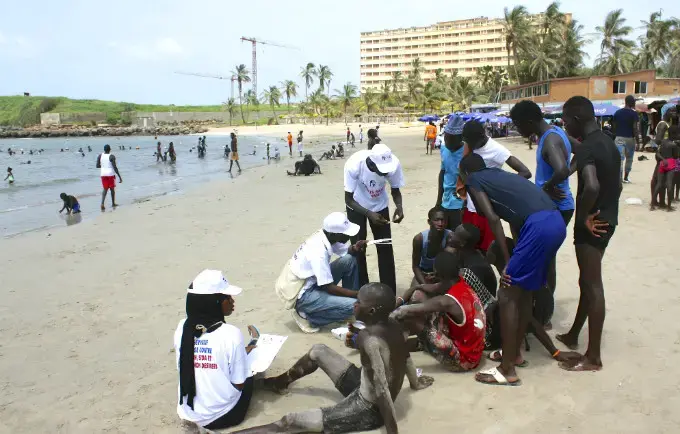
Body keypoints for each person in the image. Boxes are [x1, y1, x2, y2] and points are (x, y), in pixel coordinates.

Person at [234, 283, 434, 434]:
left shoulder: (369, 339)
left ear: (371, 311)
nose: (354, 305)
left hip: (368, 408)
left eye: (359, 303)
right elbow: (405, 357)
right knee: (318, 350)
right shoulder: (393, 324)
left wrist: (392, 432)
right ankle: (280, 382)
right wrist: (414, 383)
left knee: (290, 421)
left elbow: (381, 388)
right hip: (363, 385)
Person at [457, 153, 566, 386]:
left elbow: (494, 219)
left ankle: (507, 369)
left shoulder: (474, 180)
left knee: (506, 293)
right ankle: (515, 354)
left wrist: (507, 260)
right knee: (523, 292)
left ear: (465, 173)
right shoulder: (498, 174)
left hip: (538, 227)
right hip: (555, 222)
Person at [556, 96, 622, 372]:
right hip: (608, 219)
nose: (564, 124)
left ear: (577, 120)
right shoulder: (609, 143)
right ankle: (574, 334)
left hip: (592, 225)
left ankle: (593, 357)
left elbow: (591, 186)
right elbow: (616, 185)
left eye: (565, 119)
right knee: (587, 280)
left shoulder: (585, 148)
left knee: (593, 285)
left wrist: (584, 217)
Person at [510, 100, 575, 327]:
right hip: (559, 205)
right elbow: (579, 152)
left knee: (545, 261)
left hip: (557, 207)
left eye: (518, 125)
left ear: (529, 121)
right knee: (546, 259)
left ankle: (544, 315)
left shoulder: (550, 139)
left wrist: (547, 187)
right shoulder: (556, 132)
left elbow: (562, 169)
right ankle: (543, 310)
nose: (518, 130)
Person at [174, 269, 257, 431]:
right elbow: (239, 384)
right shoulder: (231, 334)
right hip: (219, 416)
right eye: (227, 298)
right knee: (251, 374)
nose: (232, 301)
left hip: (187, 412)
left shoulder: (182, 328)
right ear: (215, 302)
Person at [392, 252, 486, 372]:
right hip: (472, 348)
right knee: (418, 295)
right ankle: (415, 342)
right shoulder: (459, 281)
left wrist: (385, 316)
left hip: (464, 361)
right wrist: (414, 289)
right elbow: (422, 288)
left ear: (437, 274)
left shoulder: (445, 302)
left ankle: (394, 348)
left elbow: (402, 312)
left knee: (411, 319)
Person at [274, 212, 366, 333]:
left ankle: (346, 309)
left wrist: (354, 248)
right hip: (302, 294)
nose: (349, 237)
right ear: (334, 234)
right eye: (346, 234)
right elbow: (329, 287)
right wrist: (357, 294)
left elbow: (344, 251)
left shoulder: (324, 235)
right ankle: (308, 317)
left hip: (309, 282)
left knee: (349, 260)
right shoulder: (319, 253)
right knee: (356, 305)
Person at [461, 120, 532, 252]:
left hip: (487, 209)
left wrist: (502, 189)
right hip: (471, 205)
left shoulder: (497, 150)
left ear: (482, 137)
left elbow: (525, 172)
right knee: (471, 248)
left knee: (489, 249)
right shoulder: (470, 143)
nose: (469, 145)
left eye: (471, 142)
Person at [344, 143, 405, 293]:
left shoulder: (393, 163)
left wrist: (399, 206)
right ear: (371, 163)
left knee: (385, 246)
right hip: (356, 206)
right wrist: (369, 214)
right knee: (359, 248)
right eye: (381, 171)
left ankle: (389, 290)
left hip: (380, 205)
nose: (385, 174)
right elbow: (348, 199)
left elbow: (395, 190)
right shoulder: (354, 164)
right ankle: (362, 289)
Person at [436, 115, 465, 230]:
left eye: (451, 139)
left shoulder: (467, 152)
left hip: (460, 204)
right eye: (446, 138)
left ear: (460, 138)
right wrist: (438, 200)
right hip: (445, 202)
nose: (448, 142)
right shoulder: (444, 149)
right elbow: (443, 173)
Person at [411, 207, 453, 287]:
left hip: (443, 275)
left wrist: (438, 277)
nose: (440, 223)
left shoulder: (450, 237)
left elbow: (449, 264)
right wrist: (425, 285)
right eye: (436, 220)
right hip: (423, 273)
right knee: (415, 297)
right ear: (429, 222)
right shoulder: (419, 239)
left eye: (443, 220)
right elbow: (416, 267)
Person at [613, 95, 641, 183]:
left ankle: (618, 178)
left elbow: (614, 126)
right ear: (632, 102)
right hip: (630, 139)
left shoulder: (617, 113)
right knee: (629, 158)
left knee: (620, 159)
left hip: (619, 138)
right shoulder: (634, 114)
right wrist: (638, 141)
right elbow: (635, 128)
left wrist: (616, 135)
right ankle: (626, 177)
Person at [652, 140, 677, 211]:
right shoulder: (673, 145)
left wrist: (663, 159)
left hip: (662, 163)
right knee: (669, 185)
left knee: (659, 184)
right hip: (670, 164)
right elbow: (676, 156)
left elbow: (657, 153)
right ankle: (669, 207)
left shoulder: (662, 144)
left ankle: (652, 205)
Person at [96, 145, 122, 211]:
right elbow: (115, 167)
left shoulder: (100, 156)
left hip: (103, 174)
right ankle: (113, 203)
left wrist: (104, 166)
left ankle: (102, 203)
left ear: (104, 149)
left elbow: (97, 166)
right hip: (110, 174)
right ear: (110, 149)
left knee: (105, 189)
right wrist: (119, 176)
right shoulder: (111, 156)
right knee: (112, 189)